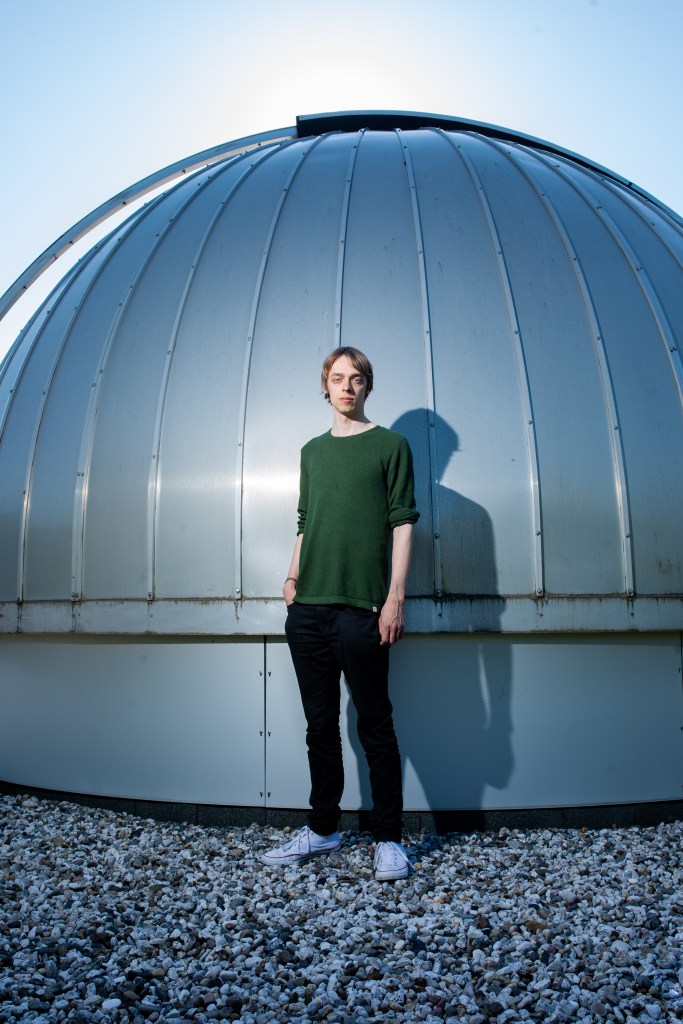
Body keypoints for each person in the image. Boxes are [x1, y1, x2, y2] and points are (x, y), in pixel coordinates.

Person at [261, 346, 419, 881]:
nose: (346, 387)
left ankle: (389, 839)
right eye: (337, 378)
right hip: (308, 610)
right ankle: (323, 828)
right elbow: (306, 521)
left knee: (376, 726)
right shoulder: (312, 452)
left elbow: (403, 522)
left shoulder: (391, 446)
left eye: (356, 379)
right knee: (320, 727)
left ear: (367, 386)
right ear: (325, 386)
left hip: (364, 610)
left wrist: (395, 597)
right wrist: (291, 579)